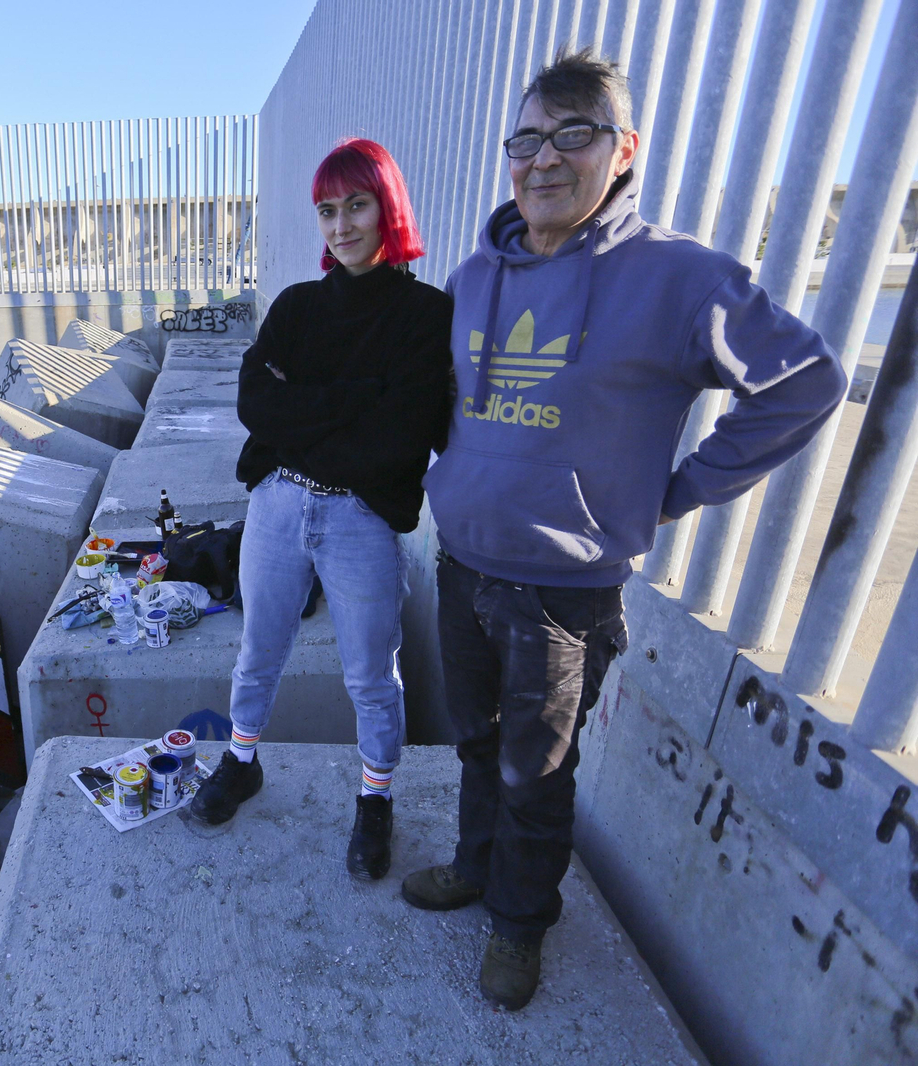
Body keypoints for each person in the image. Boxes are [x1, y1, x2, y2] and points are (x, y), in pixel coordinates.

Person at [404, 49, 847, 1010]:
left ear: (623, 149)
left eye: (574, 134)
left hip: (561, 592)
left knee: (538, 770)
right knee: (476, 744)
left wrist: (675, 491)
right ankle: (474, 869)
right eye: (526, 139)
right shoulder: (476, 275)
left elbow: (805, 382)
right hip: (461, 563)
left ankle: (520, 927)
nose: (543, 160)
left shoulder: (677, 277)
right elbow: (453, 405)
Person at [189, 138, 454, 883]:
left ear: (388, 208)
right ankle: (240, 763)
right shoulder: (300, 306)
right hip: (275, 506)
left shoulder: (427, 316)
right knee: (257, 652)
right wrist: (356, 403)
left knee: (372, 673)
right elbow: (254, 403)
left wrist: (303, 415)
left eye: (356, 206)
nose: (341, 226)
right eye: (327, 211)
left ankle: (376, 800)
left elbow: (401, 439)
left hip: (361, 519)